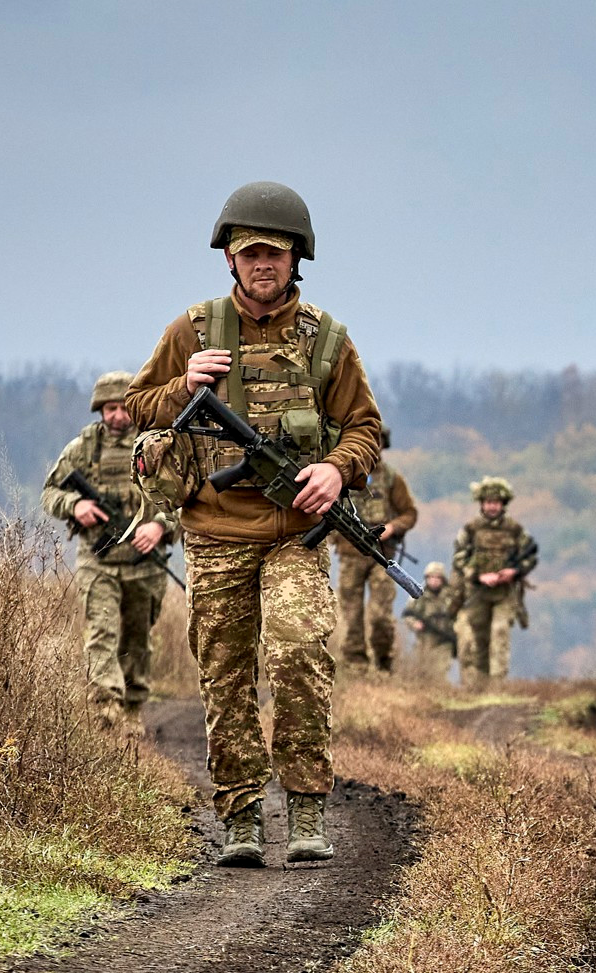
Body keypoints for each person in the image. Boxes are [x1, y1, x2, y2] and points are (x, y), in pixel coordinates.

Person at [124, 181, 384, 868]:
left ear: (297, 259)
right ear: (231, 260)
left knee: (299, 655)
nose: (262, 264)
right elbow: (134, 407)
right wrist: (183, 386)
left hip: (296, 535)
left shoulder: (326, 340)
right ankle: (239, 815)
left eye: (275, 252)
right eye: (250, 253)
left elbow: (365, 427)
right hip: (214, 535)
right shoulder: (194, 329)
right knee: (225, 673)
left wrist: (336, 469)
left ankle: (304, 810)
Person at [41, 371, 178, 724]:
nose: (118, 415)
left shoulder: (157, 447)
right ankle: (106, 708)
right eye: (111, 408)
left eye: (124, 407)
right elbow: (50, 493)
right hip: (98, 558)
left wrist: (159, 526)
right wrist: (75, 506)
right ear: (100, 410)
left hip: (145, 561)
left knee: (137, 638)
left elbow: (184, 501)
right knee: (101, 631)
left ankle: (132, 708)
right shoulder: (82, 449)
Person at [335, 429, 416, 672]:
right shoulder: (341, 475)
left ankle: (383, 663)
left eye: (377, 442)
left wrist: (392, 527)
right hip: (350, 555)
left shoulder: (391, 478)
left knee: (380, 615)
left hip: (382, 555)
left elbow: (409, 513)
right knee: (351, 616)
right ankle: (355, 667)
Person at [453, 477, 538, 687]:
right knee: (479, 639)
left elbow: (530, 555)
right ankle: (481, 686)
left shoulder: (515, 529)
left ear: (503, 504)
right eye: (488, 502)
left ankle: (497, 686)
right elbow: (459, 558)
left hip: (505, 593)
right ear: (481, 503)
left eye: (496, 502)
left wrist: (514, 571)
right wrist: (478, 576)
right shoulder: (471, 529)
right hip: (478, 592)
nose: (492, 506)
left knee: (499, 632)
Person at [401, 561, 458, 683]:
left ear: (443, 579)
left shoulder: (451, 595)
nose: (434, 580)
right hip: (424, 640)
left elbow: (459, 614)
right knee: (423, 673)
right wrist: (414, 624)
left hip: (445, 641)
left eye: (438, 577)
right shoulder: (418, 594)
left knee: (440, 672)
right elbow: (407, 614)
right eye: (431, 577)